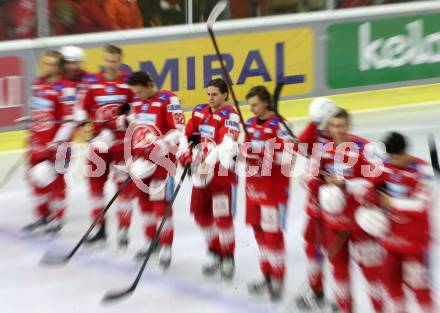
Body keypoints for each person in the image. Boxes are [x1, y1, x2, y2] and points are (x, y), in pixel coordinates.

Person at [314, 108, 384, 313]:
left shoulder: (364, 148)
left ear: (349, 125)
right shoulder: (323, 149)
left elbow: (377, 182)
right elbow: (310, 177)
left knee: (372, 273)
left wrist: (348, 186)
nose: (338, 130)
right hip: (334, 224)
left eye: (342, 125)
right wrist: (322, 181)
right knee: (339, 272)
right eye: (334, 126)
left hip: (361, 224)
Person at [359, 132, 436, 313]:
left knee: (420, 289)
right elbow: (368, 188)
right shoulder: (385, 166)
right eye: (389, 157)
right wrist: (368, 197)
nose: (392, 161)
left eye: (396, 157)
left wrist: (390, 202)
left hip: (414, 245)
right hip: (389, 241)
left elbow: (421, 205)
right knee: (390, 285)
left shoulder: (422, 171)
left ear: (404, 152)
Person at [178, 78, 240, 280]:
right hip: (201, 173)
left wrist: (208, 163)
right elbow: (185, 135)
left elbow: (226, 144)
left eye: (215, 94)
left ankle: (228, 256)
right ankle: (215, 251)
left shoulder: (231, 115)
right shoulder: (199, 111)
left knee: (222, 217)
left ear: (225, 95)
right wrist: (185, 157)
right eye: (208, 94)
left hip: (221, 174)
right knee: (200, 215)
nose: (210, 98)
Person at [126, 71, 185, 269]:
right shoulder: (137, 103)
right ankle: (153, 241)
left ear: (150, 84)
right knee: (144, 205)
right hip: (141, 163)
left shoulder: (168, 99)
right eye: (135, 92)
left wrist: (161, 144)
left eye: (141, 91)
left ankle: (166, 246)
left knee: (160, 205)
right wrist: (134, 156)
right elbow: (136, 131)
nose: (139, 95)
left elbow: (179, 129)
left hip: (162, 163)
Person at [78, 44, 135, 247]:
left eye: (114, 60)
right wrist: (85, 123)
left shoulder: (129, 84)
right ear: (103, 60)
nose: (110, 64)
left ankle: (123, 229)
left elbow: (136, 111)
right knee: (95, 187)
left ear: (120, 62)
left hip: (121, 147)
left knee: (123, 190)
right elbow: (81, 109)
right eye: (107, 60)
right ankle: (99, 228)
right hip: (98, 145)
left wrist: (122, 122)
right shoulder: (92, 83)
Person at [243, 86, 293, 300]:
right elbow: (241, 149)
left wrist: (265, 156)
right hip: (252, 187)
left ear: (265, 102)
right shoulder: (249, 124)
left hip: (273, 189)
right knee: (259, 234)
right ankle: (266, 275)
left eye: (255, 105)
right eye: (250, 105)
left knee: (272, 235)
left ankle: (278, 277)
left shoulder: (281, 125)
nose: (252, 109)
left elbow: (289, 158)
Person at [22, 50, 77, 235]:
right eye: (46, 63)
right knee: (35, 180)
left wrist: (56, 143)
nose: (49, 67)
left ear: (60, 67)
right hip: (37, 143)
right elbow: (37, 113)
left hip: (57, 146)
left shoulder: (66, 88)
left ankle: (57, 219)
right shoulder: (37, 83)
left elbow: (70, 120)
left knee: (56, 182)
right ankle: (42, 217)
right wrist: (31, 133)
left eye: (53, 64)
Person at [295, 97, 336, 309]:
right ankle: (317, 288)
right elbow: (299, 150)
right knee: (312, 246)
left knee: (338, 255)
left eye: (323, 122)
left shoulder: (343, 141)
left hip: (335, 207)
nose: (320, 127)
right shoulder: (316, 130)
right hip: (315, 204)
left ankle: (339, 298)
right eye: (316, 123)